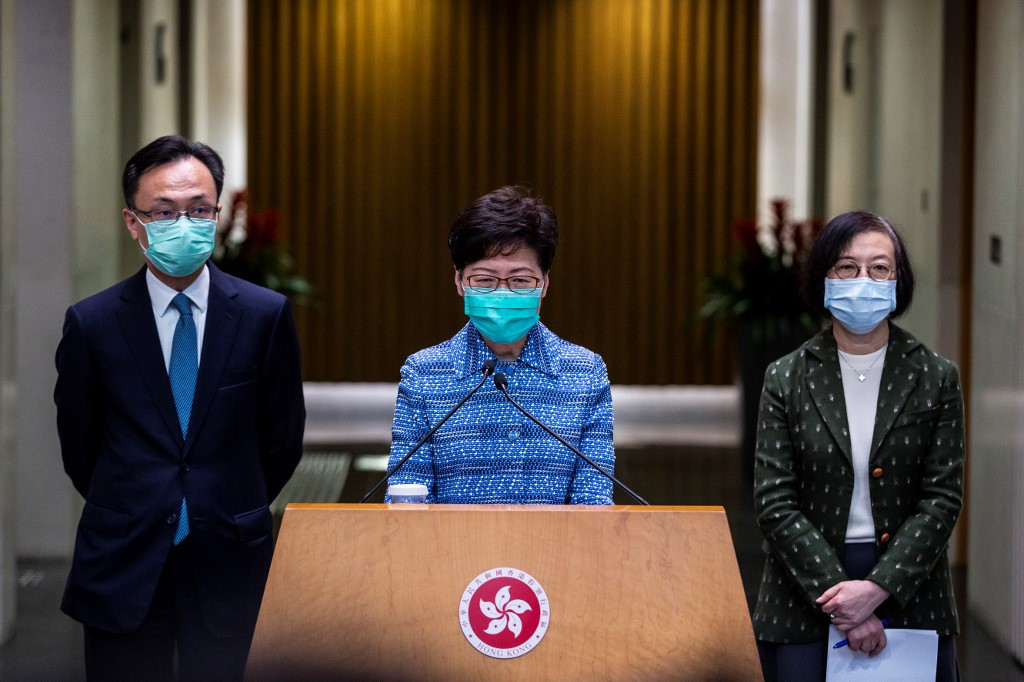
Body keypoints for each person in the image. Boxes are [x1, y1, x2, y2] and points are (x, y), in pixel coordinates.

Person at [54, 135, 306, 680]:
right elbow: (80, 444)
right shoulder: (92, 324)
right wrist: (137, 501)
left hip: (230, 555)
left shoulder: (264, 316)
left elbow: (281, 438)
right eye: (163, 212)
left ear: (217, 213)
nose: (183, 223)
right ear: (133, 222)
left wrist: (230, 500)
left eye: (198, 209)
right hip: (123, 556)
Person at [752, 211, 964, 680]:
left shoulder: (935, 377)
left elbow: (942, 499)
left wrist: (877, 589)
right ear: (823, 278)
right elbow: (774, 502)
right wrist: (842, 596)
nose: (863, 279)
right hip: (803, 587)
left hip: (910, 587)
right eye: (847, 267)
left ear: (898, 281)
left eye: (879, 268)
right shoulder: (785, 378)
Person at [386, 186, 614, 504]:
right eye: (485, 280)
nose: (502, 293)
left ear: (544, 283)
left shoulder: (585, 371)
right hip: (453, 552)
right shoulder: (424, 373)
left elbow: (593, 497)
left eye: (520, 280)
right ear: (460, 282)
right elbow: (408, 493)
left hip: (555, 552)